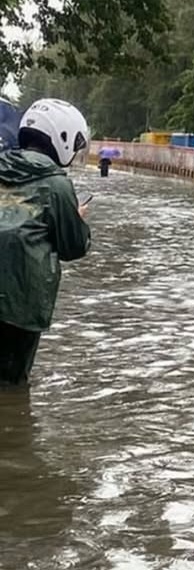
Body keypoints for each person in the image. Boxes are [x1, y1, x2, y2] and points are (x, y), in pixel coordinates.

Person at [0, 99, 92, 386]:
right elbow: (74, 246)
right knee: (11, 387)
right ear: (62, 138)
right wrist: (76, 219)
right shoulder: (57, 185)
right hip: (20, 307)